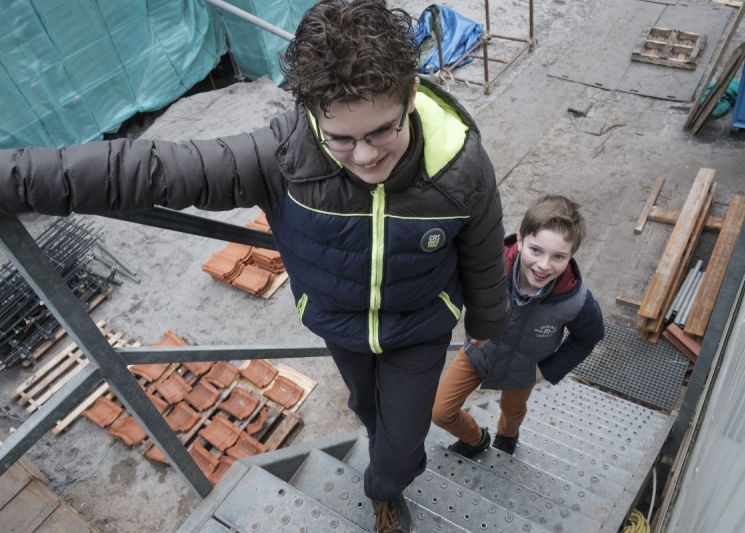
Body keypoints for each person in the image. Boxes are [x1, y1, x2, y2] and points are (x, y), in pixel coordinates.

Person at [0, 2, 508, 532]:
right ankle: (382, 444)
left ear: (409, 95)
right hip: (339, 324)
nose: (363, 157)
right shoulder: (283, 156)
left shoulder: (460, 163)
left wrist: (488, 328)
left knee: (402, 448)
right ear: (311, 113)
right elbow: (149, 169)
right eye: (341, 139)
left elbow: (482, 248)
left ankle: (384, 487)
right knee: (367, 406)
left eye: (382, 131)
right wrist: (12, 179)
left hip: (419, 328)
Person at [431, 195, 604, 458]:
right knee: (440, 411)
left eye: (558, 256)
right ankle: (475, 439)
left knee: (512, 411)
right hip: (478, 356)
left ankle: (507, 436)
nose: (544, 265)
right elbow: (457, 286)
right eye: (536, 250)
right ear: (521, 239)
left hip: (525, 369)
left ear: (571, 256)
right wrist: (478, 322)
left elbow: (590, 336)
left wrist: (547, 370)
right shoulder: (490, 266)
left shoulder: (575, 301)